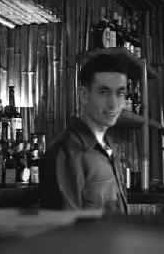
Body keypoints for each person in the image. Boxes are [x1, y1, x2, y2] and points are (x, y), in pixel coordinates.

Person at [41, 54, 128, 214]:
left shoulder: (108, 147)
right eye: (104, 92)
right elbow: (66, 230)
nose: (113, 103)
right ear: (84, 95)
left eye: (120, 93)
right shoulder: (66, 152)